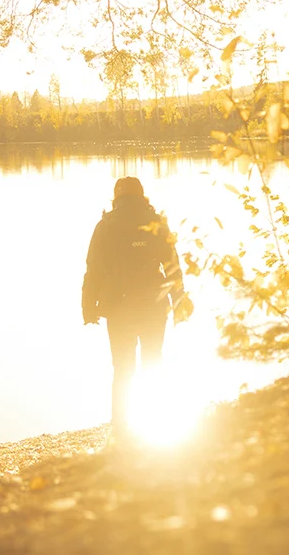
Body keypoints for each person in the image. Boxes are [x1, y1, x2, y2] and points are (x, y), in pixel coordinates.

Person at [81, 177, 191, 436]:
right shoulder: (157, 223)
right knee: (153, 359)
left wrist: (88, 307)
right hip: (154, 305)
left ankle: (120, 427)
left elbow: (93, 269)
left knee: (122, 368)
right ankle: (158, 422)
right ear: (142, 196)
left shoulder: (105, 226)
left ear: (116, 197)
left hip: (118, 308)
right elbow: (173, 266)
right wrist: (179, 301)